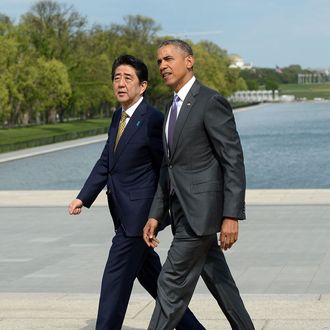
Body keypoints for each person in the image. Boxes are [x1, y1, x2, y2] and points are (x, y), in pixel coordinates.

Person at [68, 55, 204, 330]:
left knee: (114, 283)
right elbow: (107, 161)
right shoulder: (118, 116)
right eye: (117, 78)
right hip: (123, 215)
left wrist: (159, 214)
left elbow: (166, 168)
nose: (120, 83)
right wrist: (84, 196)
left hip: (139, 219)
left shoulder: (153, 119)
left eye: (128, 78)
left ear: (142, 86)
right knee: (158, 283)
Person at [143, 40, 255, 330]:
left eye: (168, 59)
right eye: (159, 62)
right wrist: (156, 213)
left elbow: (232, 160)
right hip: (182, 215)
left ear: (189, 61)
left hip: (201, 216)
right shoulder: (170, 106)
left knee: (168, 284)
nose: (162, 66)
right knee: (222, 285)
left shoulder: (210, 101)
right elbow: (169, 168)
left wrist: (231, 215)